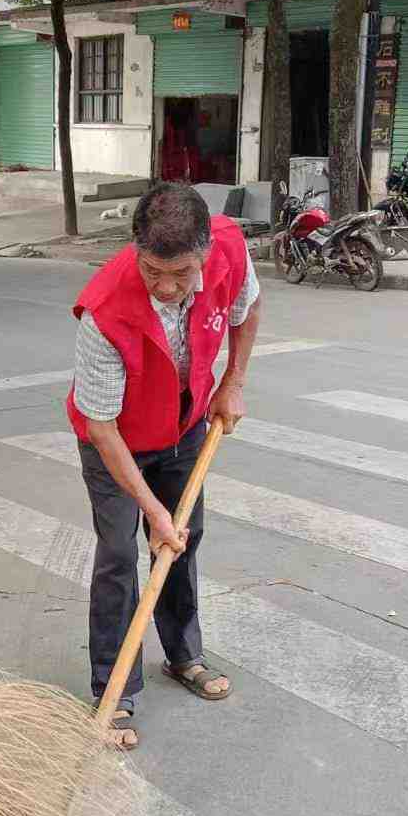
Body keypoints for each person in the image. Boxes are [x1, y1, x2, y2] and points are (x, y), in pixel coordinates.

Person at [66, 182, 261, 751]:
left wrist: (233, 382)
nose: (168, 287)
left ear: (205, 252)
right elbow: (102, 428)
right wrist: (152, 511)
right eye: (153, 272)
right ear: (135, 251)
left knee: (182, 542)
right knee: (120, 555)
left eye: (182, 273)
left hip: (185, 424)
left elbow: (248, 309)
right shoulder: (105, 311)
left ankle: (183, 655)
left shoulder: (229, 250)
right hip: (117, 441)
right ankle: (114, 690)